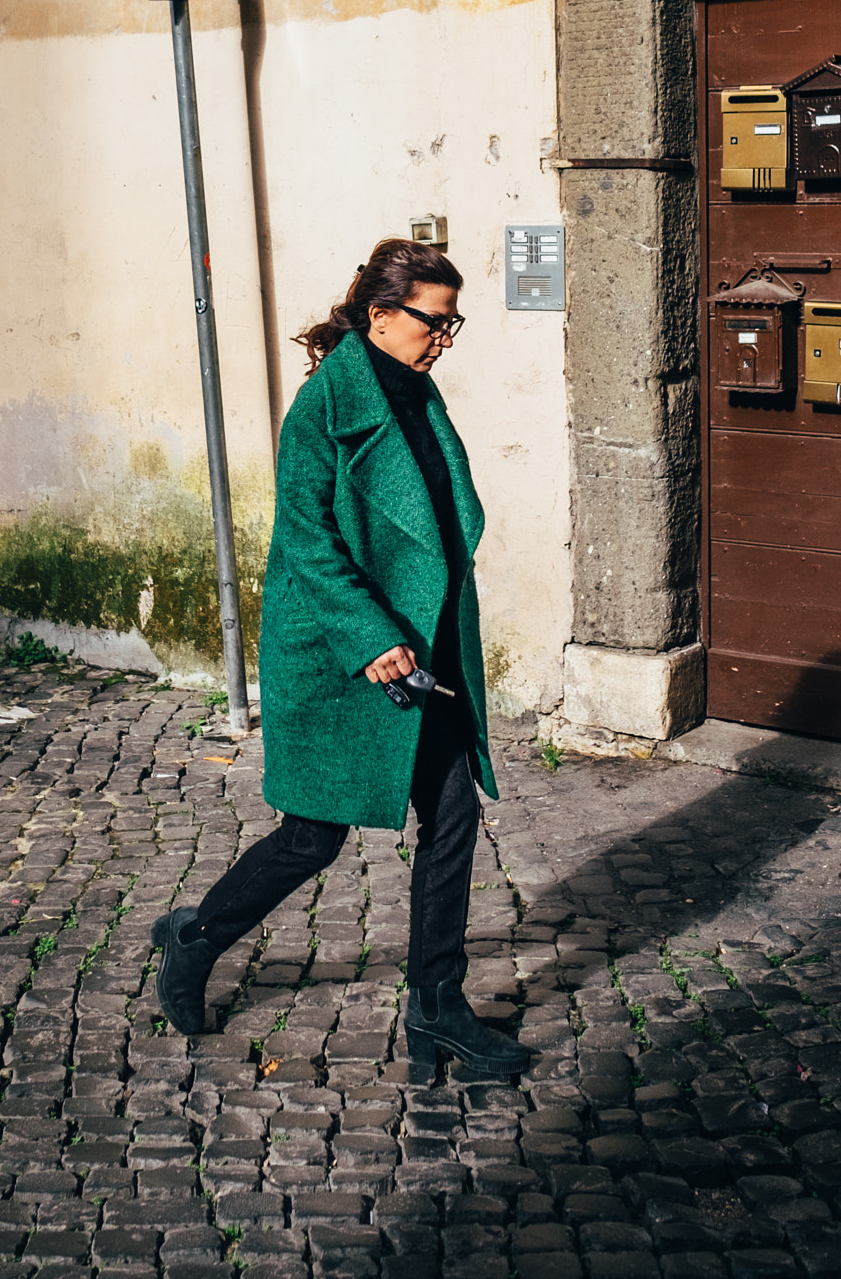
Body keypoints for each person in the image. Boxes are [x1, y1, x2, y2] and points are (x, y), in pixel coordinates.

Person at [151, 237, 527, 1076]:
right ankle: (193, 937)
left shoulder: (417, 395)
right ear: (381, 315)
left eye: (451, 322)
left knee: (453, 819)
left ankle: (436, 1007)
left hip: (423, 651)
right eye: (434, 321)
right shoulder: (325, 407)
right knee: (312, 837)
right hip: (337, 651)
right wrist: (370, 639)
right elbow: (307, 545)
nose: (443, 338)